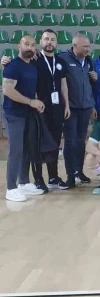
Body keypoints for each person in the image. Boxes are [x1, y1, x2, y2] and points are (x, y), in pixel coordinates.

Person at [1, 28, 71, 191]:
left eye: (52, 39)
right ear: (41, 42)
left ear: (56, 42)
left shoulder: (60, 61)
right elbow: (13, 74)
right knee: (33, 145)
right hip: (36, 109)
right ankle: (36, 180)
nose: (49, 42)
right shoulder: (34, 60)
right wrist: (4, 63)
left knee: (52, 143)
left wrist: (66, 104)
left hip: (53, 108)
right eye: (46, 39)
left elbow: (63, 84)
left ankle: (51, 177)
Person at [2, 35, 46, 202]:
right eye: (26, 44)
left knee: (27, 148)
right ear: (18, 46)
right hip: (13, 114)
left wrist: (34, 104)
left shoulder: (32, 65)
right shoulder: (13, 66)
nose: (30, 47)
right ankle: (11, 188)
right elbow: (7, 90)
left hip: (28, 113)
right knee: (16, 150)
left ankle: (23, 182)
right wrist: (30, 101)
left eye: (33, 45)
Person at [60, 32, 98, 189]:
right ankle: (70, 176)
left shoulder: (89, 60)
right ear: (75, 45)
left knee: (81, 141)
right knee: (70, 142)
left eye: (89, 46)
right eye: (85, 46)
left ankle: (79, 172)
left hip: (85, 108)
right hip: (70, 108)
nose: (88, 49)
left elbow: (90, 85)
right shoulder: (63, 59)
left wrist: (92, 105)